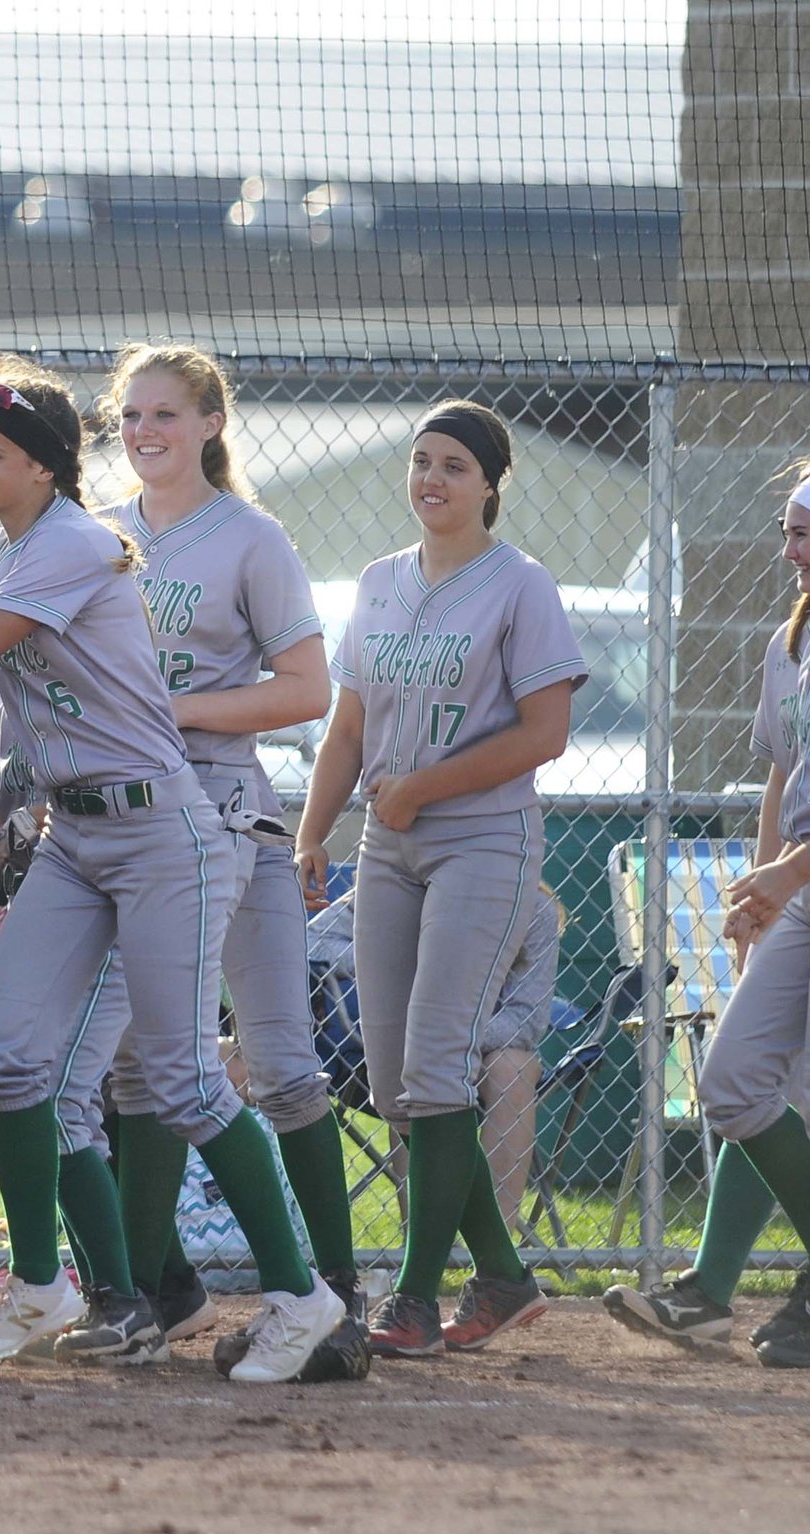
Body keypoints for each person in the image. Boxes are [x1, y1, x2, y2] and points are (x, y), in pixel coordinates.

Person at [0, 356, 346, 1382]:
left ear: (40, 467)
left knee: (177, 1078)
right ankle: (43, 1283)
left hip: (165, 834)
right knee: (6, 1062)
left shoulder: (74, 544)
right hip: (75, 840)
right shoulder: (2, 550)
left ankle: (303, 1297)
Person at [36, 343, 360, 1374]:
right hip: (124, 829)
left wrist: (169, 711)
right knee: (138, 1068)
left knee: (281, 1066)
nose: (142, 432)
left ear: (211, 423)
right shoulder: (96, 536)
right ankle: (149, 1288)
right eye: (128, 415)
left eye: (165, 414)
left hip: (231, 817)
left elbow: (306, 689)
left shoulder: (248, 538)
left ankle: (331, 1296)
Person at [295, 399, 587, 1359]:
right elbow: (347, 728)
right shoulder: (379, 581)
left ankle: (414, 1299)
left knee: (433, 1067)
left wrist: (423, 787)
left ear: (491, 485)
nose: (432, 480)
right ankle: (502, 1276)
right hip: (388, 845)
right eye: (422, 461)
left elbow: (546, 734)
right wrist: (312, 835)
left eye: (455, 465)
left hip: (483, 843)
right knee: (390, 1080)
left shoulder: (521, 584)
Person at [607, 453, 810, 1368]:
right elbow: (783, 769)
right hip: (808, 886)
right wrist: (764, 882)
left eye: (804, 534)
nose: (790, 550)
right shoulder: (799, 639)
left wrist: (790, 874)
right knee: (731, 1080)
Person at [302, 879, 561, 1223]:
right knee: (410, 1056)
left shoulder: (531, 906)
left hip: (483, 1043)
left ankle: (498, 1253)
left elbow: (525, 1019)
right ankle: (425, 1246)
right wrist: (391, 959)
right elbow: (312, 941)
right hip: (402, 1042)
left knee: (514, 1068)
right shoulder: (398, 885)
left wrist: (456, 1036)